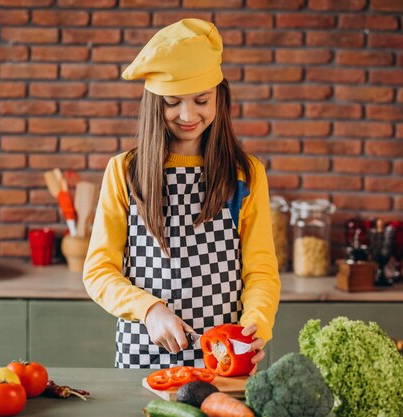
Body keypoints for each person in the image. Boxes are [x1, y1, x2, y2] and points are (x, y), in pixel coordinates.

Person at [82, 18, 280, 371]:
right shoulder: (124, 172)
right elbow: (99, 271)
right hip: (144, 357)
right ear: (154, 103)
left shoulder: (246, 175)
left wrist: (256, 326)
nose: (188, 115)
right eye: (173, 102)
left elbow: (260, 272)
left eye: (201, 100)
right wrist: (149, 310)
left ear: (220, 95)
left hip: (224, 359)